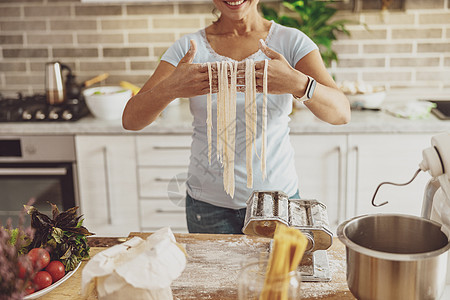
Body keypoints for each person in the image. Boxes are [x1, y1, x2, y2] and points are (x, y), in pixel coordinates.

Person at [122, 0, 351, 234]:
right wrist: (171, 88)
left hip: (277, 203)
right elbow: (131, 120)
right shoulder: (188, 47)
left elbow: (341, 113)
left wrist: (298, 83)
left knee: (276, 272)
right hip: (208, 208)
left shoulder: (291, 42)